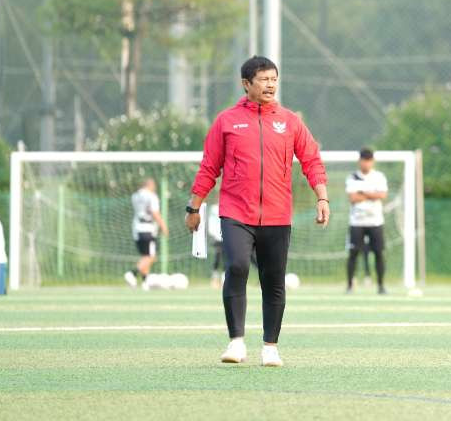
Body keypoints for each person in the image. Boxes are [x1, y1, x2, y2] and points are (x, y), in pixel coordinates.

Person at [186, 56, 330, 368]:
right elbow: (209, 167)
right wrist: (193, 207)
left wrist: (323, 197)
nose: (270, 85)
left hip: (278, 215)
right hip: (236, 211)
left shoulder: (290, 121)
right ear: (246, 84)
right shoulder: (226, 121)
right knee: (236, 266)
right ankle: (236, 342)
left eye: (274, 79)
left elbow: (312, 160)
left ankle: (270, 346)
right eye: (264, 79)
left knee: (273, 279)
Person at [345, 148, 388, 295]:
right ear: (360, 161)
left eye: (369, 160)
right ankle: (350, 285)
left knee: (379, 253)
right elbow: (353, 198)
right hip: (357, 222)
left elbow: (382, 195)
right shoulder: (352, 177)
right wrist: (372, 194)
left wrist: (363, 193)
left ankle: (381, 286)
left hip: (375, 222)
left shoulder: (379, 177)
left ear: (372, 161)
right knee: (353, 253)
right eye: (364, 160)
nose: (367, 163)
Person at [124, 177, 168, 290]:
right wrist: (163, 226)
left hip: (137, 228)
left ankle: (145, 282)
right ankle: (132, 273)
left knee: (145, 256)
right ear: (150, 185)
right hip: (148, 228)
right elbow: (154, 212)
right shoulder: (151, 196)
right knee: (151, 257)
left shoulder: (135, 196)